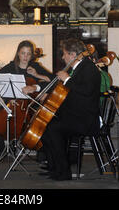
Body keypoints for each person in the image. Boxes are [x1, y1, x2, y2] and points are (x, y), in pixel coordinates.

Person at [40, 37, 101, 181]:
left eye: (64, 53)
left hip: (86, 119)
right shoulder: (79, 68)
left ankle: (63, 172)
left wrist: (67, 79)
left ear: (73, 55)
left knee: (52, 128)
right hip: (76, 115)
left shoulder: (89, 68)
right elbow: (70, 94)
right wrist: (49, 96)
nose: (63, 57)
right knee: (47, 126)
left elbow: (85, 91)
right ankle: (55, 168)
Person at [0, 40, 53, 160]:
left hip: (31, 105)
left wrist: (37, 75)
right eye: (23, 53)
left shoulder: (35, 67)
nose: (25, 57)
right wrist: (8, 97)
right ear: (18, 53)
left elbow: (53, 80)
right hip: (13, 104)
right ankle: (2, 148)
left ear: (32, 55)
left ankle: (42, 150)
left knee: (41, 119)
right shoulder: (10, 67)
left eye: (28, 54)